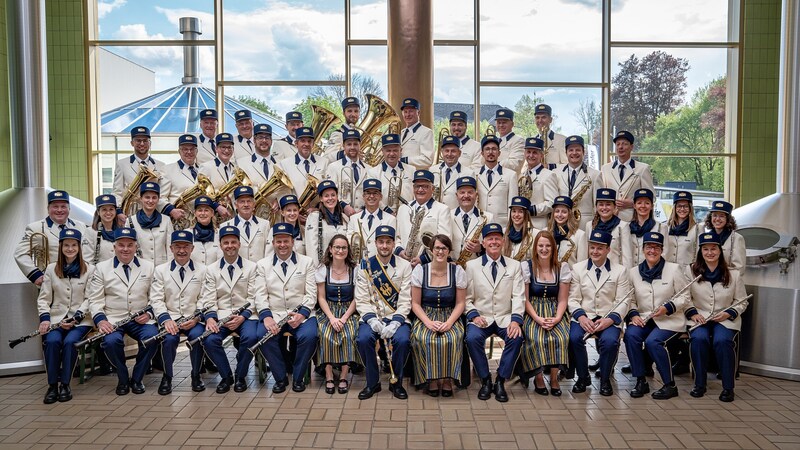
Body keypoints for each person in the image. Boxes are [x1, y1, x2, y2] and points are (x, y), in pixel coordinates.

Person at [86, 227, 158, 396]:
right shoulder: (101, 268)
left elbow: (155, 297)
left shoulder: (148, 266)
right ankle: (123, 376)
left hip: (141, 319)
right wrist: (101, 320)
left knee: (152, 338)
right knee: (111, 342)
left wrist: (149, 314)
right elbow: (95, 300)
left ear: (136, 247)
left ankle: (138, 378)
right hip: (113, 319)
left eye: (129, 245)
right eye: (121, 245)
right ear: (114, 247)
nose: (125, 249)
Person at [624, 231, 691, 400]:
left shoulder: (674, 269)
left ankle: (670, 385)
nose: (652, 251)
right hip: (645, 318)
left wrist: (668, 307)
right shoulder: (633, 272)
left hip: (669, 319)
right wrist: (633, 315)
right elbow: (629, 299)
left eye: (656, 247)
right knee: (631, 336)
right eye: (648, 247)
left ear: (662, 250)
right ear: (643, 249)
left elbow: (685, 296)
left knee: (653, 342)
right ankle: (641, 380)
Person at [464, 223, 525, 402]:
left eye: (497, 238)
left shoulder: (514, 266)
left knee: (516, 337)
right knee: (472, 338)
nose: (494, 241)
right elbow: (467, 298)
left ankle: (500, 379)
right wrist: (474, 315)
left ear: (503, 241)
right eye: (490, 238)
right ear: (483, 243)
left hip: (505, 317)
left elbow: (519, 296)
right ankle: (485, 380)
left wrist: (515, 321)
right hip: (481, 317)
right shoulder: (472, 266)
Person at [686, 233, 749, 402]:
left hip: (726, 318)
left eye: (713, 249)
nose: (710, 253)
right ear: (700, 252)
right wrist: (693, 313)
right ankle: (700, 384)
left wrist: (729, 313)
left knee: (722, 341)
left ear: (720, 251)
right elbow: (685, 298)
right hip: (700, 318)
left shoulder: (733, 274)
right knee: (698, 339)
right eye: (705, 249)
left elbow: (741, 301)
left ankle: (728, 387)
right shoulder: (691, 270)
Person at [256, 223, 319, 393]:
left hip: (302, 314)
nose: (282, 245)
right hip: (275, 314)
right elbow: (260, 295)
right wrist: (267, 317)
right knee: (263, 335)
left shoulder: (306, 262)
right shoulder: (262, 265)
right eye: (278, 241)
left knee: (310, 335)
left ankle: (298, 378)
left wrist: (302, 315)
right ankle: (280, 377)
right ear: (273, 243)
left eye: (286, 241)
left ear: (293, 242)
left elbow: (311, 293)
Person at [568, 229, 632, 396]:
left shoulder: (620, 271)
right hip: (585, 316)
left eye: (600, 248)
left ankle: (605, 379)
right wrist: (581, 317)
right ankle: (582, 378)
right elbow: (573, 299)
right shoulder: (577, 268)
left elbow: (624, 300)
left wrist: (610, 320)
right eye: (592, 247)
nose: (595, 251)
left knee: (610, 342)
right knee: (574, 338)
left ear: (608, 250)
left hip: (608, 317)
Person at [354, 225, 413, 400]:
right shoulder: (366, 265)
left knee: (402, 341)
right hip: (373, 317)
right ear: (375, 243)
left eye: (388, 242)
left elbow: (405, 299)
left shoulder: (405, 266)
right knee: (363, 339)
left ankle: (397, 383)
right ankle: (372, 383)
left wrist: (395, 322)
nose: (384, 246)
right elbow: (362, 298)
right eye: (381, 242)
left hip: (396, 316)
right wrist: (372, 320)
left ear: (394, 244)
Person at [198, 226, 259, 394]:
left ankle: (240, 375)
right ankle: (226, 376)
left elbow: (254, 296)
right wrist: (210, 318)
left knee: (251, 337)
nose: (230, 245)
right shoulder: (211, 269)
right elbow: (208, 298)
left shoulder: (252, 267)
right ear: (220, 245)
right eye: (226, 242)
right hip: (221, 315)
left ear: (239, 244)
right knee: (209, 340)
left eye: (233, 242)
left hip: (247, 315)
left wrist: (243, 316)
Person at [36, 229, 94, 404]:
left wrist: (76, 317)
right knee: (52, 342)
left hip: (81, 320)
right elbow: (44, 298)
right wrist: (45, 319)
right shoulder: (51, 269)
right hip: (56, 319)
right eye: (66, 245)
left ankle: (65, 385)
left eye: (74, 245)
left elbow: (91, 298)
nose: (70, 249)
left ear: (79, 247)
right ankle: (52, 385)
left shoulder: (90, 269)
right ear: (61, 247)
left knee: (70, 343)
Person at [149, 230, 207, 394]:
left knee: (197, 338)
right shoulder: (161, 270)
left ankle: (196, 375)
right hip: (171, 319)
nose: (182, 250)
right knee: (168, 340)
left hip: (193, 319)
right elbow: (156, 299)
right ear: (171, 248)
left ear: (192, 248)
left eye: (185, 246)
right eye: (177, 246)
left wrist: (196, 318)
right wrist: (166, 320)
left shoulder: (203, 270)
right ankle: (167, 377)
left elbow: (205, 297)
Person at [410, 234, 466, 397]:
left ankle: (448, 379)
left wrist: (449, 323)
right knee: (423, 338)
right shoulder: (421, 270)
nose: (440, 251)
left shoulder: (457, 271)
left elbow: (460, 303)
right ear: (431, 250)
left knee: (453, 337)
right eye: (437, 248)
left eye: (444, 248)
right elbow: (415, 304)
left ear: (449, 251)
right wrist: (428, 322)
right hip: (426, 314)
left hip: (450, 314)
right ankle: (431, 379)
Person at [518, 230, 571, 396]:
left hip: (555, 310)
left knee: (560, 337)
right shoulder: (527, 267)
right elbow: (525, 299)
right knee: (536, 338)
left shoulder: (561, 267)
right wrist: (538, 319)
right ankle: (538, 377)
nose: (544, 249)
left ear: (554, 248)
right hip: (533, 310)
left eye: (548, 245)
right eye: (540, 245)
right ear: (535, 248)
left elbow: (563, 299)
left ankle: (554, 378)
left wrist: (557, 318)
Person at [14, 190, 95, 286]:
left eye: (63, 206)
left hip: (78, 283)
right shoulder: (36, 228)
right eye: (55, 206)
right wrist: (35, 275)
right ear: (48, 208)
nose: (59, 210)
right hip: (51, 283)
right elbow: (20, 253)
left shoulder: (80, 226)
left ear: (69, 208)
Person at [315, 234, 360, 394]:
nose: (340, 250)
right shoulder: (322, 269)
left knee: (349, 334)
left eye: (344, 247)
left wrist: (344, 317)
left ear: (348, 250)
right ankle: (328, 375)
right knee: (325, 333)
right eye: (337, 247)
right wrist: (332, 318)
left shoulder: (355, 269)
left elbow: (357, 298)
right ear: (330, 249)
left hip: (349, 310)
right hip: (328, 310)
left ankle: (343, 375)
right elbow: (321, 297)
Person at [112, 126, 180, 222]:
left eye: (145, 140)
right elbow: (117, 192)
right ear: (132, 143)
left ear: (150, 143)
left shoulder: (161, 166)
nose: (142, 144)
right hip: (130, 213)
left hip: (153, 213)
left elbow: (163, 193)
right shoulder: (122, 164)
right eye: (138, 141)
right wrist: (119, 211)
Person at [395, 170, 452, 268]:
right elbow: (397, 237)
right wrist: (400, 251)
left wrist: (423, 259)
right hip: (403, 263)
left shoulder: (442, 209)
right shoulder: (403, 208)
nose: (420, 190)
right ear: (413, 188)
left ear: (433, 188)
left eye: (425, 186)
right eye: (417, 186)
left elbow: (445, 241)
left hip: (429, 264)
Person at [545, 135, 600, 230]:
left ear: (584, 152)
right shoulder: (555, 173)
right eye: (571, 150)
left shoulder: (596, 175)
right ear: (566, 152)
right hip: (560, 225)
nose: (574, 153)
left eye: (578, 150)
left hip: (584, 226)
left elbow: (597, 205)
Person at [600, 130, 655, 222]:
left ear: (631, 147)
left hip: (634, 220)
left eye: (625, 144)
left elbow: (651, 197)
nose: (621, 147)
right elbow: (602, 196)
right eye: (618, 144)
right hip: (610, 219)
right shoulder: (605, 169)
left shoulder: (643, 168)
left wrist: (633, 203)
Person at [346, 179, 397, 259]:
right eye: (368, 193)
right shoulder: (353, 219)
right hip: (358, 265)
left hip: (381, 264)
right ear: (363, 196)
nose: (371, 196)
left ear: (381, 197)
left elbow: (393, 244)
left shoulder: (391, 219)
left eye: (375, 193)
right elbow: (349, 242)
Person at [278, 126, 329, 205]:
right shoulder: (284, 164)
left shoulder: (324, 162)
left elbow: (327, 190)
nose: (306, 144)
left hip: (319, 212)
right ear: (296, 143)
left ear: (313, 144)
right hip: (294, 213)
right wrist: (295, 210)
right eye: (302, 141)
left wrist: (317, 208)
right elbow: (284, 191)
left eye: (309, 141)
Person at [477, 135, 519, 229]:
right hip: (479, 225)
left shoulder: (511, 175)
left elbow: (512, 205)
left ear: (499, 153)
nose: (490, 152)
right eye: (487, 149)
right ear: (482, 153)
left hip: (502, 226)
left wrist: (509, 228)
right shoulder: (475, 174)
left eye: (494, 149)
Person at [127, 182, 174, 266]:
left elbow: (170, 248)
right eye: (147, 197)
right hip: (140, 268)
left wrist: (168, 269)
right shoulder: (130, 221)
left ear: (158, 199)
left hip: (161, 269)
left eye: (154, 197)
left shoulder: (166, 220)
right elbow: (129, 248)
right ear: (141, 198)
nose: (151, 201)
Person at [305, 180, 350, 267]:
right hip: (323, 268)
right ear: (321, 199)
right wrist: (316, 272)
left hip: (342, 269)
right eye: (326, 196)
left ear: (337, 197)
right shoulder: (314, 217)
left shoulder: (345, 218)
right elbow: (311, 248)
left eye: (333, 195)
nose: (330, 198)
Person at [622, 188, 671, 267]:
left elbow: (665, 253)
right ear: (634, 206)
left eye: (647, 203)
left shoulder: (661, 228)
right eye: (639, 203)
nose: (643, 206)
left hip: (652, 273)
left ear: (652, 206)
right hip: (630, 272)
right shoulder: (626, 227)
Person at [365, 133, 414, 213]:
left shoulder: (411, 170)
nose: (391, 154)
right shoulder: (373, 172)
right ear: (382, 151)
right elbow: (373, 196)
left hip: (408, 213)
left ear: (400, 151)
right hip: (384, 214)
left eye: (395, 150)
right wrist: (387, 211)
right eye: (388, 150)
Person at [220, 186, 270, 262]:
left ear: (254, 204)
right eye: (242, 201)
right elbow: (222, 254)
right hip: (238, 272)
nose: (246, 205)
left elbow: (268, 252)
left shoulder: (265, 224)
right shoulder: (225, 226)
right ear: (236, 205)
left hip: (259, 271)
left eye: (249, 201)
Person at [584, 188, 631, 267]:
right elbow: (586, 253)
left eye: (608, 204)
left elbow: (627, 257)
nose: (604, 208)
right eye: (601, 204)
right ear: (596, 207)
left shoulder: (622, 226)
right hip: (593, 273)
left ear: (615, 206)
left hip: (615, 273)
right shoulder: (589, 225)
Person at [451, 176, 492, 265]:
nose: (466, 196)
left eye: (470, 192)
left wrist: (480, 249)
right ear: (456, 195)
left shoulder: (488, 217)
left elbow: (494, 247)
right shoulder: (447, 215)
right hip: (453, 266)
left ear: (476, 195)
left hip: (478, 268)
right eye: (462, 192)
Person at [519, 137, 556, 230]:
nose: (531, 155)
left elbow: (552, 203)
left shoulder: (549, 175)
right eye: (528, 152)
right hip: (522, 224)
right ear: (524, 154)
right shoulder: (522, 175)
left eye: (535, 152)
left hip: (539, 225)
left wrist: (532, 210)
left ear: (541, 155)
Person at [326, 129, 368, 210]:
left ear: (360, 145)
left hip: (363, 216)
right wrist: (344, 206)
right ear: (343, 146)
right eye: (349, 144)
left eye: (355, 144)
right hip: (341, 215)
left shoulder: (369, 169)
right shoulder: (333, 167)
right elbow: (329, 193)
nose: (352, 147)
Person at [431, 135, 475, 210]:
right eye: (446, 151)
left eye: (453, 151)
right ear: (442, 152)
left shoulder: (469, 173)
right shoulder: (433, 170)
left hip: (456, 217)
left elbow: (472, 200)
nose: (449, 154)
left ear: (459, 153)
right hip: (436, 215)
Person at [704, 200, 746, 273]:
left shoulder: (737, 238)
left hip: (728, 282)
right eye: (715, 215)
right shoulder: (705, 237)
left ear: (728, 219)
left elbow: (739, 268)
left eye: (721, 216)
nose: (717, 219)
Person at [162, 134, 203, 208]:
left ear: (196, 151)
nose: (189, 152)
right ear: (179, 151)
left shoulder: (203, 170)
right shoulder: (167, 170)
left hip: (200, 216)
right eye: (185, 149)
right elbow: (161, 197)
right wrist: (171, 211)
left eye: (192, 149)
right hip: (178, 217)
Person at [665, 191, 703, 267]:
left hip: (687, 274)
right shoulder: (666, 228)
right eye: (679, 206)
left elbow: (700, 254)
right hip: (667, 272)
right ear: (675, 208)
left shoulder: (697, 229)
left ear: (690, 208)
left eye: (685, 206)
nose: (682, 209)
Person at [547, 196, 588, 267]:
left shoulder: (580, 235)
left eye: (564, 212)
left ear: (570, 214)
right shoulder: (545, 232)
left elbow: (582, 265)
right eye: (557, 211)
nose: (560, 215)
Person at [398, 97, 434, 170]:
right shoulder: (402, 132)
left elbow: (427, 160)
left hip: (416, 177)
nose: (408, 114)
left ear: (418, 113)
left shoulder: (426, 132)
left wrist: (404, 160)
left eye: (411, 111)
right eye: (405, 112)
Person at [324, 96, 361, 163]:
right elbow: (326, 158)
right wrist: (346, 152)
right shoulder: (338, 134)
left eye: (356, 111)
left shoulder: (359, 134)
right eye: (349, 111)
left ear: (359, 113)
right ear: (343, 113)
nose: (353, 114)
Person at [533, 104, 568, 168]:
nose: (540, 121)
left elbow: (567, 166)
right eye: (537, 118)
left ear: (550, 120)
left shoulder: (562, 140)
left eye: (543, 117)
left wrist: (549, 167)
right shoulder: (532, 141)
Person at [189, 196, 221, 266]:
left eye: (206, 210)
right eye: (199, 210)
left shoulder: (219, 234)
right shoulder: (188, 233)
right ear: (195, 213)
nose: (203, 213)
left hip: (214, 276)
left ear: (212, 213)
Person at [502, 196, 536, 261]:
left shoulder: (534, 234)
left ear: (526, 214)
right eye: (514, 211)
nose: (516, 215)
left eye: (520, 212)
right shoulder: (503, 232)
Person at [91, 194, 121, 264]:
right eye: (104, 209)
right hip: (99, 273)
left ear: (115, 211)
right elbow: (88, 261)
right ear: (98, 212)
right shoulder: (91, 232)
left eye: (111, 209)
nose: (108, 213)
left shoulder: (121, 231)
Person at [493, 108, 525, 173]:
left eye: (504, 122)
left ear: (512, 124)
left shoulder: (519, 141)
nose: (501, 125)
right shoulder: (494, 141)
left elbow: (515, 164)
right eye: (499, 123)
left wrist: (491, 164)